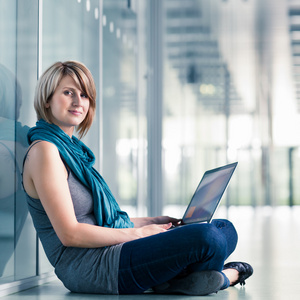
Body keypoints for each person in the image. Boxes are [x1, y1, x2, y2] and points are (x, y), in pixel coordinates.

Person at [22, 61, 253, 296]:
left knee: (225, 229)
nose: (78, 102)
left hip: (114, 250)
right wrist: (138, 233)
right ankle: (223, 277)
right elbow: (70, 233)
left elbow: (103, 220)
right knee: (209, 237)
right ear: (47, 99)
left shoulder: (73, 152)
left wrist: (151, 221)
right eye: (68, 92)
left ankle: (179, 281)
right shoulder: (45, 151)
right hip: (92, 267)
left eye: (84, 95)